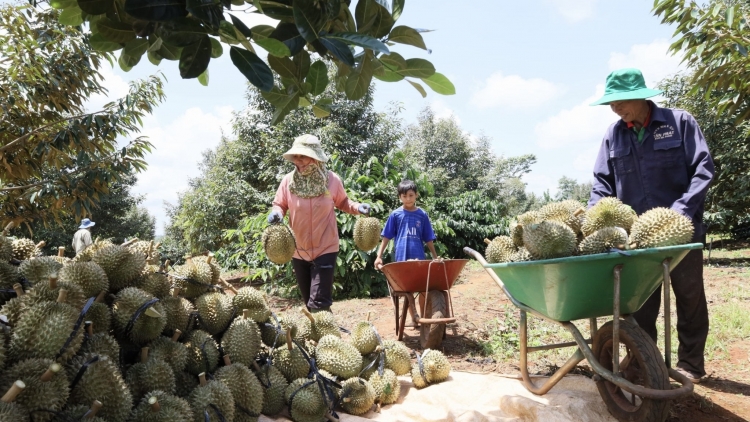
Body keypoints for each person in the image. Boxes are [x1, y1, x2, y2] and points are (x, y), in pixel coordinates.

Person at [589, 68, 715, 383]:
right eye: (611, 103)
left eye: (620, 101)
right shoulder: (613, 135)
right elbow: (602, 185)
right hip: (638, 240)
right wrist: (592, 218)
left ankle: (691, 364)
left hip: (683, 233)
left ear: (641, 96)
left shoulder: (680, 123)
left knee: (689, 298)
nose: (614, 108)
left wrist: (682, 210)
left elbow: (703, 168)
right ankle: (647, 364)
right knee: (640, 304)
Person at [268, 134, 371, 312]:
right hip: (298, 250)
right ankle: (324, 334)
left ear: (315, 157)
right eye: (296, 156)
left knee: (318, 303)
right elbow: (280, 204)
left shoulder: (331, 180)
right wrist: (276, 213)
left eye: (304, 155)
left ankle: (326, 336)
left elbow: (343, 202)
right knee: (310, 302)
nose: (299, 160)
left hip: (326, 247)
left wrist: (357, 207)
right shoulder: (288, 182)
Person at [374, 180, 439, 327]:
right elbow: (386, 237)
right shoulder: (396, 215)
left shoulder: (422, 215)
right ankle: (413, 317)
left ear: (416, 195)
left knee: (423, 290)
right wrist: (379, 256)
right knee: (407, 291)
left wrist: (435, 257)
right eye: (404, 196)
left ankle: (423, 317)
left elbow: (428, 238)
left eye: (410, 195)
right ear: (399, 197)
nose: (408, 199)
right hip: (401, 260)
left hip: (419, 259)